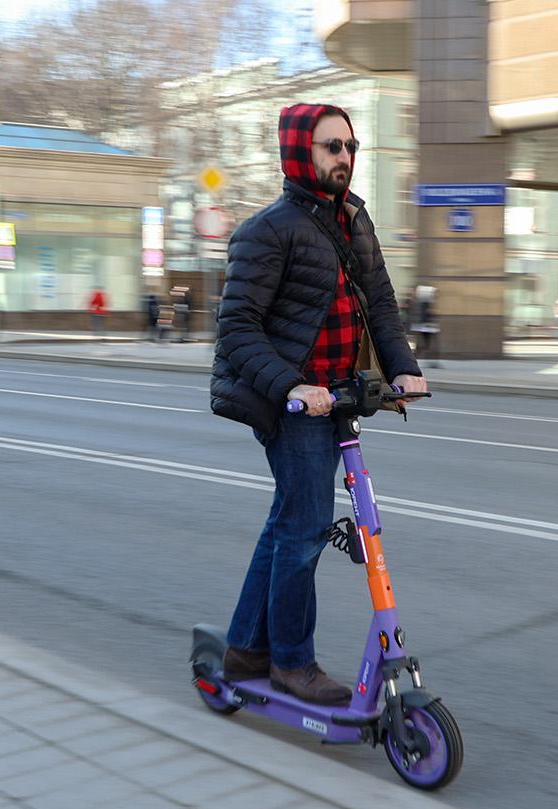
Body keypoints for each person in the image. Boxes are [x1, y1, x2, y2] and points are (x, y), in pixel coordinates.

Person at [211, 103, 426, 706]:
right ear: (300, 152)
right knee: (304, 526)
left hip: (340, 397)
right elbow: (237, 329)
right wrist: (290, 387)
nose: (345, 157)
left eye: (351, 146)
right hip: (294, 404)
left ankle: (244, 650)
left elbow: (380, 305)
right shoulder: (268, 230)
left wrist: (404, 368)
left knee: (289, 522)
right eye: (332, 146)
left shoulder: (355, 220)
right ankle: (291, 663)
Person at [412, 284, 441, 368]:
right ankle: (431, 362)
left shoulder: (426, 303)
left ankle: (431, 362)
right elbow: (427, 316)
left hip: (429, 328)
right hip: (427, 328)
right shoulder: (426, 304)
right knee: (427, 345)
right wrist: (434, 313)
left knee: (426, 345)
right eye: (435, 293)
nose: (436, 295)